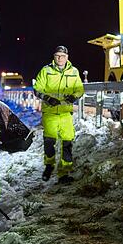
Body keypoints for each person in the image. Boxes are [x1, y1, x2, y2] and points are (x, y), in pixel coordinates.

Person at [33, 45, 84, 184]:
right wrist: (48, 98)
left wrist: (74, 97)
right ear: (54, 57)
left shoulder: (74, 71)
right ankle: (49, 165)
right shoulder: (46, 70)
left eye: (62, 56)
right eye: (57, 55)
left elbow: (80, 89)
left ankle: (64, 173)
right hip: (49, 113)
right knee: (49, 141)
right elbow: (37, 89)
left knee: (67, 143)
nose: (60, 58)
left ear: (67, 57)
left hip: (66, 113)